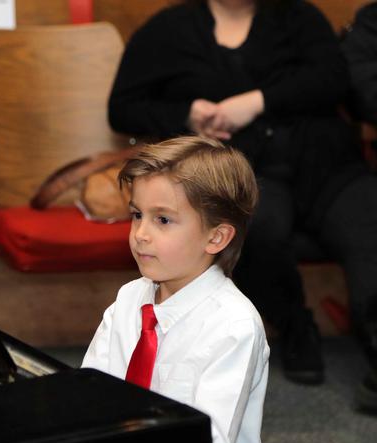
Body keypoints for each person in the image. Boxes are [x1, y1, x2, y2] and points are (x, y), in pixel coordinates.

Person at [107, 0, 377, 407]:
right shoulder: (169, 28)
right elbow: (122, 108)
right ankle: (294, 325)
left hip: (327, 166)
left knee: (369, 228)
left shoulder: (300, 17)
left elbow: (335, 80)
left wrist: (258, 101)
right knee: (252, 229)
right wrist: (186, 114)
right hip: (247, 174)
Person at [82, 136, 271, 443]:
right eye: (137, 215)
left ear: (216, 238)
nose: (140, 235)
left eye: (163, 220)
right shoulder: (131, 298)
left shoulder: (234, 325)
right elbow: (91, 387)